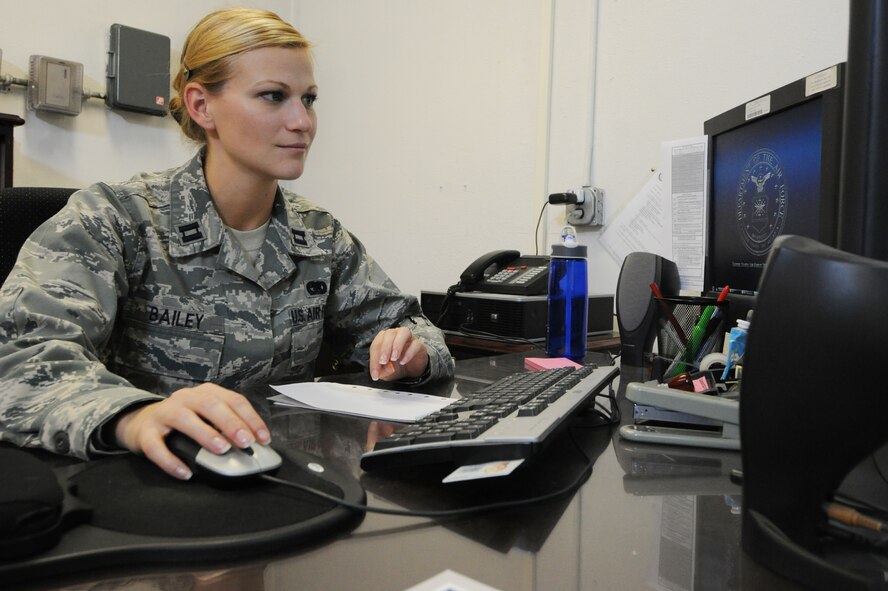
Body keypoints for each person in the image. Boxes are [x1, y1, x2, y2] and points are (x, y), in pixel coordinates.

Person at [0, 8, 453, 480]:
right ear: (201, 106)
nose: (302, 121)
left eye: (308, 99)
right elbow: (20, 358)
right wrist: (133, 416)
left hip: (290, 480)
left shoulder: (319, 234)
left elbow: (406, 326)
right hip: (154, 482)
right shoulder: (114, 219)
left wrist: (412, 353)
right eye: (273, 96)